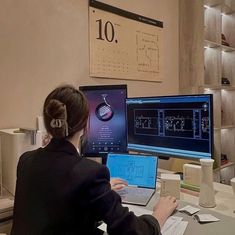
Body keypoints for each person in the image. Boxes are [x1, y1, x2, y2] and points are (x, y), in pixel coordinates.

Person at [11, 85, 178, 235]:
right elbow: (132, 231)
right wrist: (158, 216)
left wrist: (101, 191)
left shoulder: (26, 161)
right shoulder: (90, 173)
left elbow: (59, 213)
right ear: (84, 126)